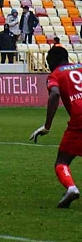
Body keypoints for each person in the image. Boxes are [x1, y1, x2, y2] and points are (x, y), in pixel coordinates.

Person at [29, 46, 82, 208]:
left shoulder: (55, 75)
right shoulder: (80, 67)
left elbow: (55, 94)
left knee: (62, 161)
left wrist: (47, 126)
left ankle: (71, 188)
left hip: (79, 119)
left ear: (52, 60)